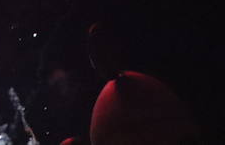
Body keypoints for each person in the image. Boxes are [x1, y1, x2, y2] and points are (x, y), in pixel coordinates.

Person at [60, 22, 200, 145]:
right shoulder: (143, 86)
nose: (96, 61)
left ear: (116, 46)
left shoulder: (141, 88)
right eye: (95, 53)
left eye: (101, 49)